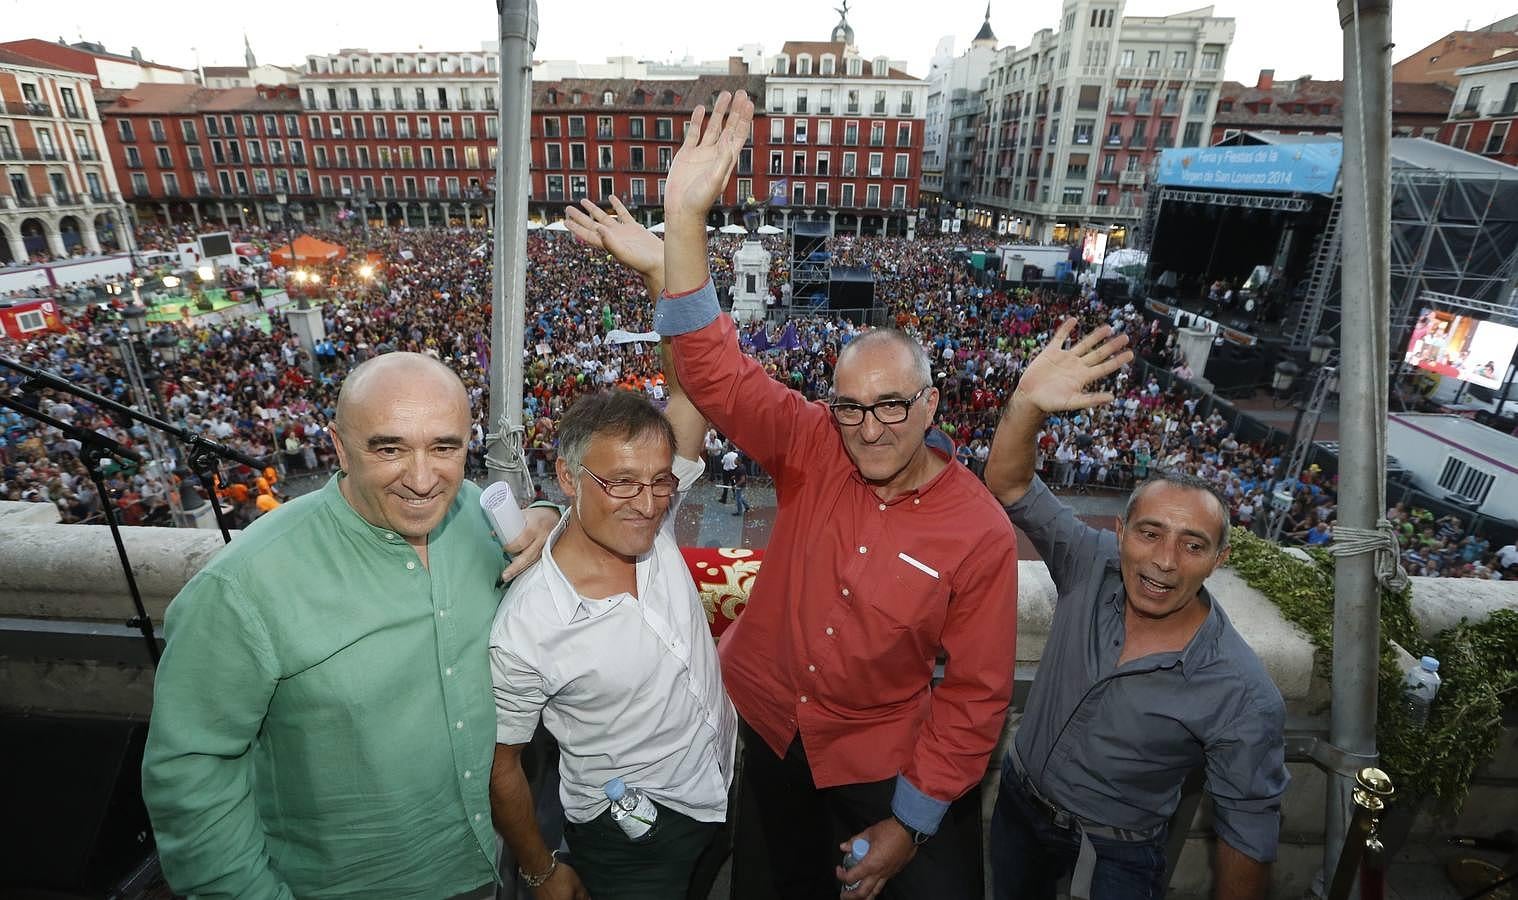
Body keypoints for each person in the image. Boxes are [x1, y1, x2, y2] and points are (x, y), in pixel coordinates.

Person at [649, 89, 1020, 899]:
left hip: (878, 763)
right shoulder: (813, 441)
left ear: (931, 404)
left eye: (892, 405)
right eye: (850, 406)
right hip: (772, 737)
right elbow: (713, 372)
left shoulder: (980, 533)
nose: (869, 427)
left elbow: (975, 695)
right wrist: (683, 218)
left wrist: (912, 819)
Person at [141, 352, 560, 899]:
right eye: (389, 448)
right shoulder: (243, 587)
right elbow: (191, 776)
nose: (422, 478)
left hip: (488, 863)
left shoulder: (478, 515)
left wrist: (547, 515)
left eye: (445, 447)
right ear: (338, 447)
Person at [983, 318, 1288, 900]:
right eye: (1149, 533)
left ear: (1218, 560)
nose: (1166, 561)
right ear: (1119, 533)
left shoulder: (1240, 690)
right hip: (1018, 812)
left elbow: (1247, 833)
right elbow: (1009, 482)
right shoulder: (1088, 561)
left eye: (1192, 544)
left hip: (1114, 854)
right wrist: (1026, 405)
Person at [490, 202, 736, 900]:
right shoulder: (528, 624)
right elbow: (503, 763)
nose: (649, 502)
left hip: (718, 788)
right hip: (629, 838)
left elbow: (689, 389)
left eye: (660, 482)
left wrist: (666, 271)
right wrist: (541, 872)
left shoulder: (650, 523)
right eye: (621, 482)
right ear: (567, 478)